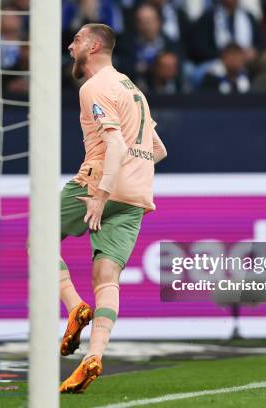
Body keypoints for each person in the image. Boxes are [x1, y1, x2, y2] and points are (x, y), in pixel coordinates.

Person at [59, 23, 167, 393]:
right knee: (107, 279)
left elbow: (116, 147)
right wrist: (127, 179)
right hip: (137, 193)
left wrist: (102, 193)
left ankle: (74, 307)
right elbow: (159, 150)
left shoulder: (95, 86)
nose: (69, 46)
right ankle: (94, 357)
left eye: (75, 40)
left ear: (92, 45)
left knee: (36, 240)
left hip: (98, 185)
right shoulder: (133, 89)